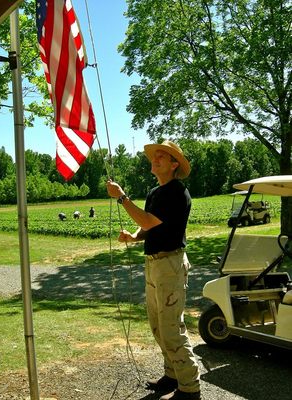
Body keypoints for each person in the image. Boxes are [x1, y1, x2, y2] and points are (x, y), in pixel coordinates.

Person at [106, 140, 201, 400]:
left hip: (170, 264)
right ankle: (172, 375)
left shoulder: (177, 192)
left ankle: (190, 389)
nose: (155, 159)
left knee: (172, 328)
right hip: (154, 263)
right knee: (158, 326)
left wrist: (122, 197)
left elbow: (148, 219)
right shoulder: (154, 193)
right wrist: (134, 236)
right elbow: (148, 227)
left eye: (162, 156)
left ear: (174, 165)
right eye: (154, 156)